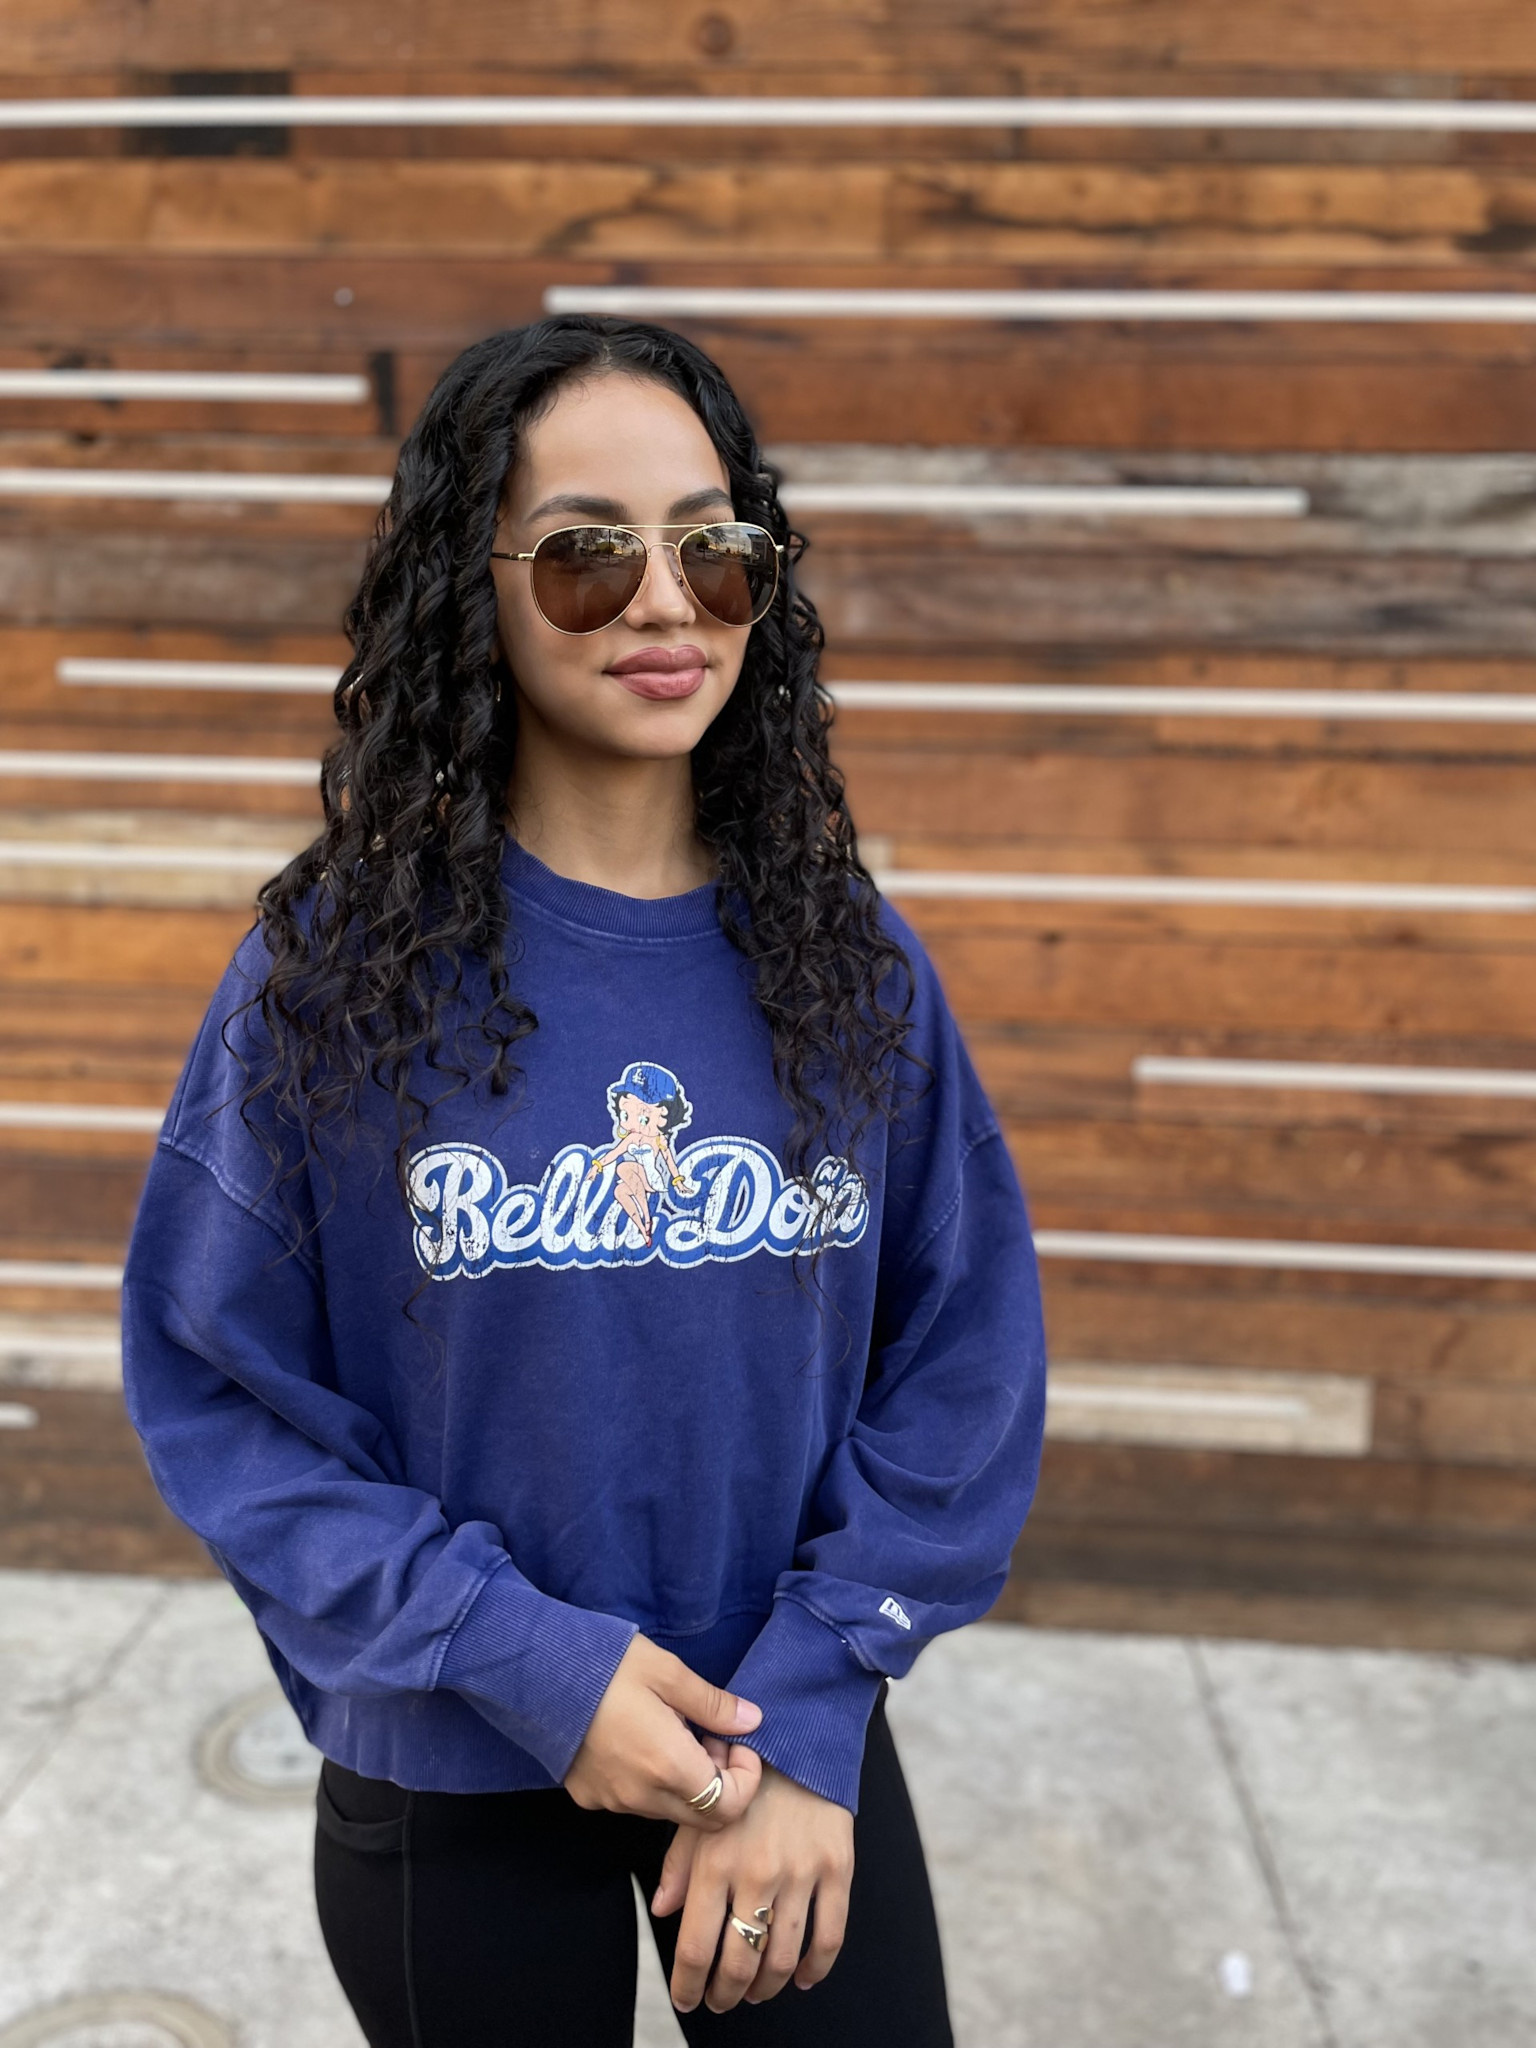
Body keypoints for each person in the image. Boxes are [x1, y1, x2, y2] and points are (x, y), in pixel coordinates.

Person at [120, 314, 1049, 2045]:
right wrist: (525, 1657)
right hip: (455, 1755)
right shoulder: (331, 980)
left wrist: (817, 1698)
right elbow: (220, 1393)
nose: (666, 602)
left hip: (782, 1740)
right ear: (465, 587)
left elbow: (963, 1357)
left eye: (715, 547)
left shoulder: (849, 963)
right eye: (586, 555)